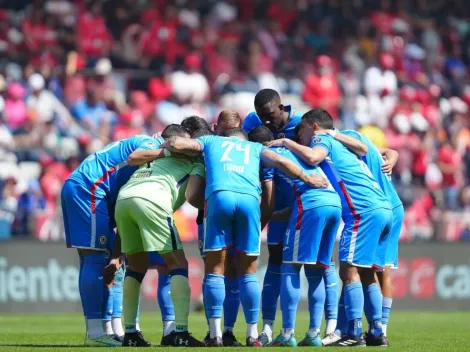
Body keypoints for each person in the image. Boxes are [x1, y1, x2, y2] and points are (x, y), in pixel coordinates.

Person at [163, 127, 328, 346]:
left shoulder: (212, 140)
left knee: (215, 269)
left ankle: (215, 335)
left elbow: (181, 144)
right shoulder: (255, 147)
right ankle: (252, 335)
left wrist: (166, 143)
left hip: (219, 197)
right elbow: (280, 161)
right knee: (248, 272)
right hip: (250, 201)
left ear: (225, 137)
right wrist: (307, 177)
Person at [272, 109, 392, 347]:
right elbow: (365, 149)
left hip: (363, 212)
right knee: (367, 273)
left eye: (302, 130)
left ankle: (354, 333)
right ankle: (377, 332)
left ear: (313, 126)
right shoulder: (342, 142)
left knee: (348, 272)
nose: (300, 136)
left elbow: (314, 157)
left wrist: (286, 141)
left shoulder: (322, 139)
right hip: (383, 208)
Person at [243, 89, 336, 345]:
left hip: (301, 204)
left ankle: (320, 329)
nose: (266, 122)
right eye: (261, 118)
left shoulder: (302, 125)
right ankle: (272, 328)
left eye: (270, 115)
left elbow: (328, 143)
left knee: (298, 268)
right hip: (311, 202)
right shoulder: (253, 123)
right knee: (282, 263)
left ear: (281, 108)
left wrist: (262, 220)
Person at [61, 134, 163, 347]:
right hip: (89, 189)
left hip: (95, 192)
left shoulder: (149, 162)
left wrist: (118, 255)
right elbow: (134, 158)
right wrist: (168, 150)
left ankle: (114, 327)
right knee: (93, 259)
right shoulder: (151, 148)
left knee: (115, 263)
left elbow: (122, 217)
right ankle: (95, 332)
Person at [115, 124, 206, 347]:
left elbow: (132, 158)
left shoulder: (154, 157)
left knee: (135, 268)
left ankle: (130, 334)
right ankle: (181, 332)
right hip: (152, 201)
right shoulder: (195, 162)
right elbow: (193, 197)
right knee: (178, 265)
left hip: (124, 199)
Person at [328, 129, 402, 345]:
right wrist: (393, 156)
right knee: (369, 271)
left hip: (381, 207)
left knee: (371, 271)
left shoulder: (350, 149)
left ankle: (373, 330)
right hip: (389, 207)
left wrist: (333, 135)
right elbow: (390, 151)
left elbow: (387, 151)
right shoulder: (366, 151)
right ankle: (376, 330)